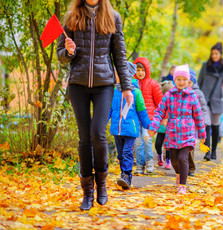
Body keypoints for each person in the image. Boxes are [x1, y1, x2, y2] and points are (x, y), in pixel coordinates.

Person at [57, 0, 133, 211]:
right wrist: (69, 52)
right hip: (77, 84)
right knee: (84, 137)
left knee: (98, 133)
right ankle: (87, 192)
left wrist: (126, 87)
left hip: (104, 84)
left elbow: (120, 54)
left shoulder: (113, 17)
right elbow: (60, 55)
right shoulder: (72, 17)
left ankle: (102, 185)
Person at [148, 64, 206, 194]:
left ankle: (182, 185)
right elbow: (159, 112)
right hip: (172, 132)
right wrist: (153, 126)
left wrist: (202, 134)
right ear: (174, 80)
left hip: (188, 132)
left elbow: (198, 116)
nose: (181, 82)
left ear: (188, 81)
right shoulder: (168, 95)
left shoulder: (192, 96)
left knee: (182, 158)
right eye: (178, 79)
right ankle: (179, 173)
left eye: (184, 79)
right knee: (174, 160)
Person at [108, 62, 151, 190]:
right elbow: (109, 110)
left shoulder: (136, 93)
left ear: (129, 75)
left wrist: (149, 126)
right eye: (117, 73)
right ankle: (124, 175)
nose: (117, 76)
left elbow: (142, 111)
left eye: (120, 73)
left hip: (130, 129)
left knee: (127, 152)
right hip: (117, 128)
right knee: (120, 155)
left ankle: (126, 175)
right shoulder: (113, 92)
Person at [198, 42, 223, 160]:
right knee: (206, 125)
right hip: (204, 99)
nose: (214, 56)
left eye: (216, 54)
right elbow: (199, 81)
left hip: (217, 99)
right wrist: (197, 94)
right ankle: (207, 152)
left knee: (216, 126)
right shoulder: (205, 66)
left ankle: (214, 151)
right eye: (212, 54)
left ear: (220, 54)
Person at [133, 57, 163, 175]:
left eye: (142, 70)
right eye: (138, 70)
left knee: (146, 140)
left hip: (149, 118)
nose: (140, 73)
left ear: (147, 70)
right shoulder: (131, 84)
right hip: (135, 119)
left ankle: (149, 162)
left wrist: (161, 118)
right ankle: (140, 165)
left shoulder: (153, 84)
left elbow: (160, 103)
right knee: (138, 142)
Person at [188, 69, 210, 176]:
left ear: (193, 82)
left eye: (190, 82)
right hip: (182, 125)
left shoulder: (198, 93)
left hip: (194, 124)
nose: (187, 84)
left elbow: (204, 108)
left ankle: (190, 168)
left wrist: (205, 121)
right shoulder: (180, 93)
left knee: (190, 146)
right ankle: (183, 167)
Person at [155, 81, 174, 169]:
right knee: (158, 144)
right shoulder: (161, 102)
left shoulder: (175, 103)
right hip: (161, 128)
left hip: (170, 129)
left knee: (168, 146)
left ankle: (168, 161)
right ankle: (159, 155)